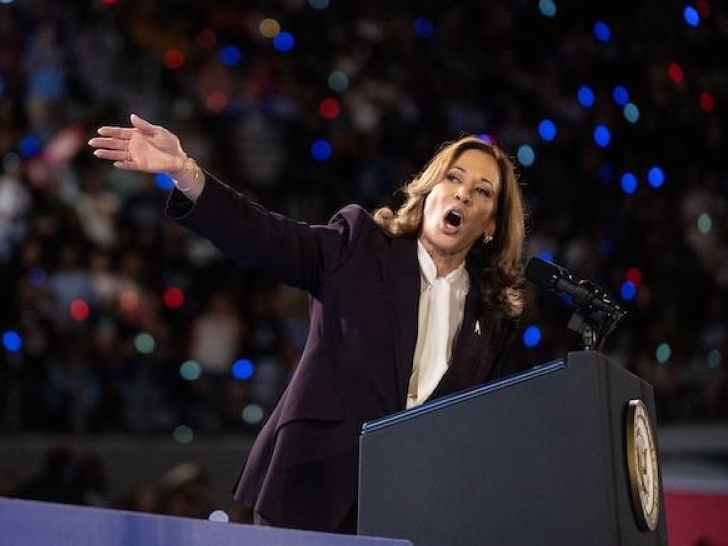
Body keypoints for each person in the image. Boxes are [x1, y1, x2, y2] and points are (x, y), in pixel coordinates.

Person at [89, 114, 527, 533]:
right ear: (430, 190)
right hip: (315, 484)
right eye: (454, 177)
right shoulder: (360, 245)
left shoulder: (490, 317)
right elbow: (265, 236)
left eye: (482, 191)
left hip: (410, 509)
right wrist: (184, 172)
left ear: (490, 224)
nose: (463, 194)